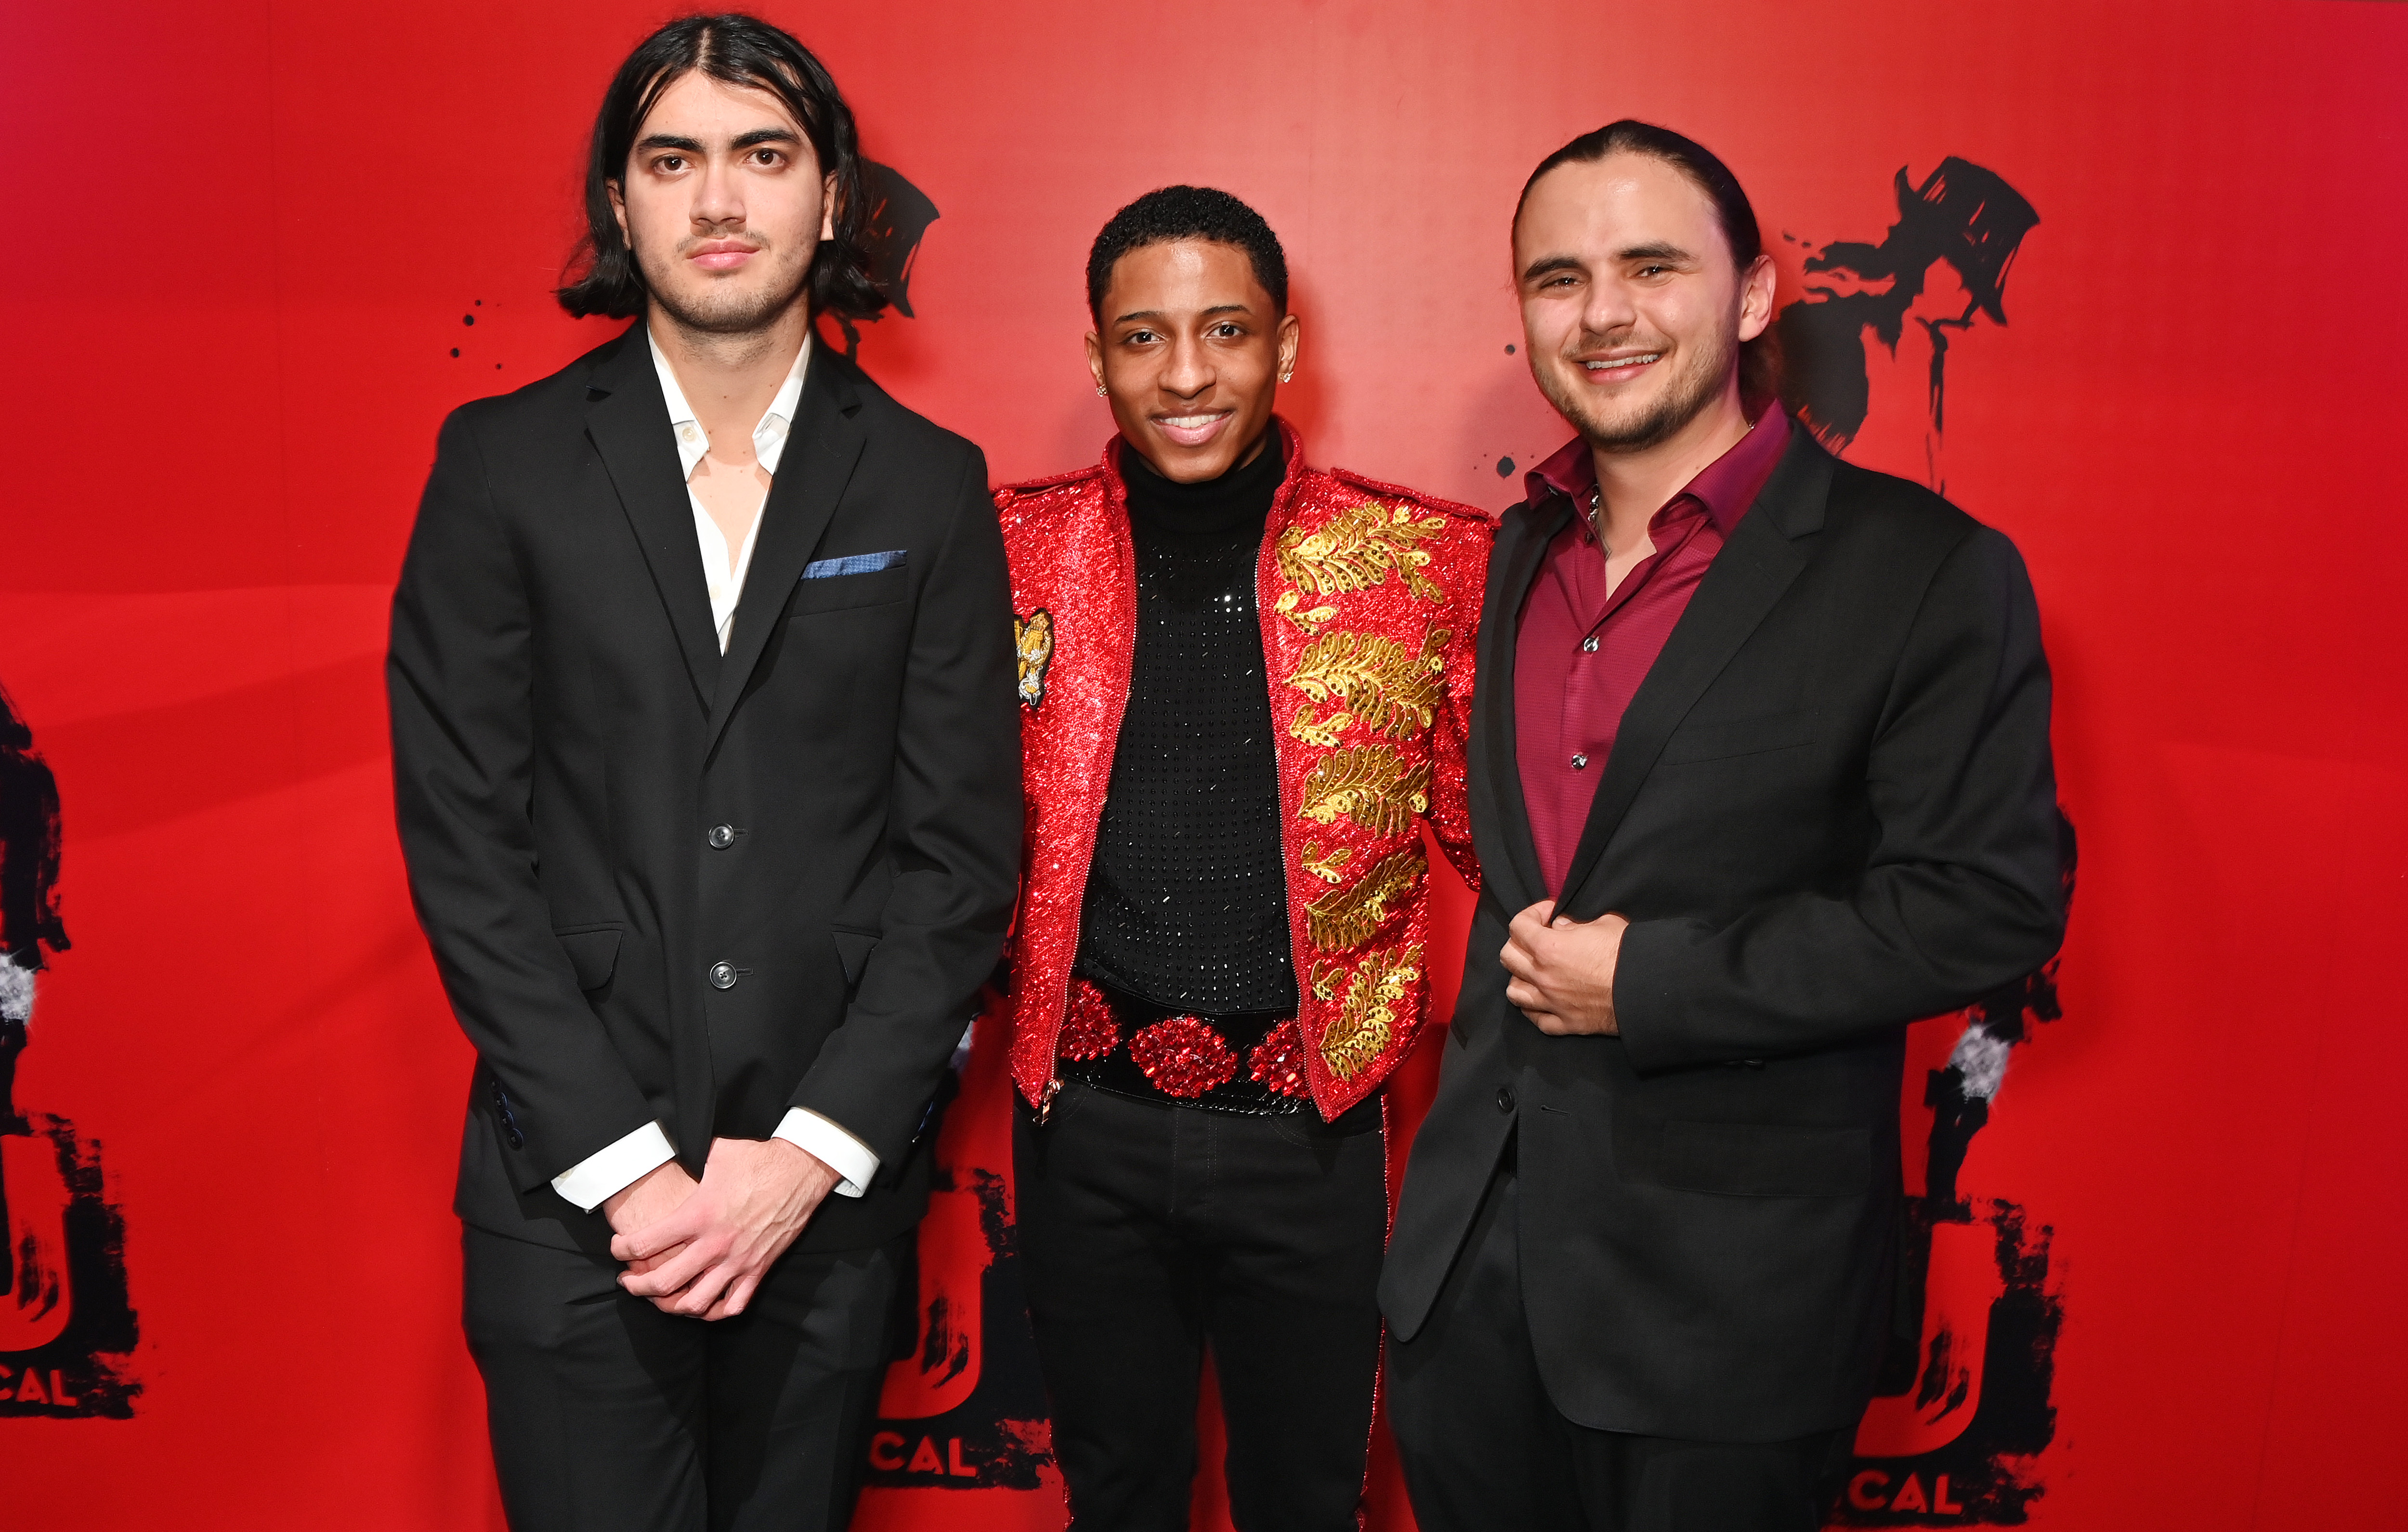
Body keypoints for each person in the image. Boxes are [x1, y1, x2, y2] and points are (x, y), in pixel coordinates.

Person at [1379, 121, 2066, 1531]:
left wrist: (1652, 982)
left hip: (1726, 1314)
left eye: (1649, 266)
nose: (1604, 312)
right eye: (1559, 278)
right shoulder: (1516, 553)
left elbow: (1988, 901)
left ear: (1752, 296)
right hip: (1473, 1291)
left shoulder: (1924, 570)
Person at [385, 15, 1020, 1530]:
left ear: (828, 193)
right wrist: (628, 1170)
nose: (719, 200)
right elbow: (467, 851)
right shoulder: (499, 464)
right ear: (622, 202)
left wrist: (804, 1159)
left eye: (763, 156)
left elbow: (961, 861)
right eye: (674, 160)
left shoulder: (929, 483)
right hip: (574, 1206)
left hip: (823, 1208)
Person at [994, 186, 1490, 1531]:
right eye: (1143, 337)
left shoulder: (1423, 565)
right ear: (1096, 355)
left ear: (1286, 343)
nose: (1188, 373)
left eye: (1225, 329)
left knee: (1306, 1501)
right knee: (1119, 1497)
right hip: (1078, 1125)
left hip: (1312, 1139)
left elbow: (1513, 851)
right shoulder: (1003, 553)